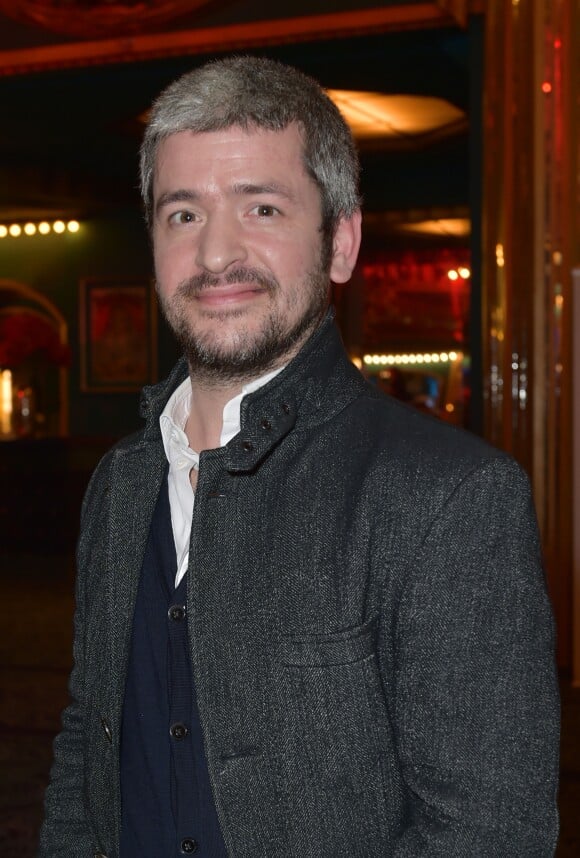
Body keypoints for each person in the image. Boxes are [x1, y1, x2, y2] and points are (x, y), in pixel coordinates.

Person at [39, 56, 559, 857]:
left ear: (340, 243)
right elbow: (87, 750)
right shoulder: (120, 482)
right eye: (183, 214)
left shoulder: (449, 497)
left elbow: (488, 833)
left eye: (263, 209)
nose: (216, 254)